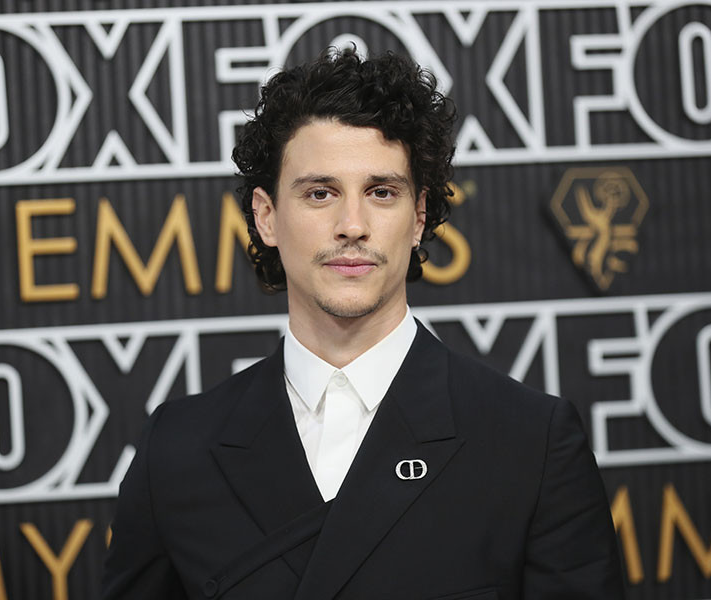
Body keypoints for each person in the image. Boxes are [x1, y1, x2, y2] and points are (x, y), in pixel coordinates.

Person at [103, 48, 625, 599]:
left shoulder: (531, 445)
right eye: (320, 193)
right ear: (266, 215)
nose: (352, 225)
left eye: (381, 192)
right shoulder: (177, 451)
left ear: (419, 216)